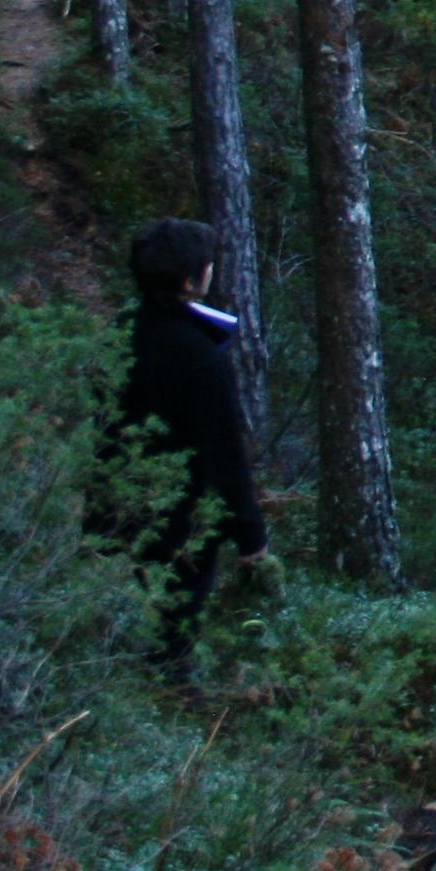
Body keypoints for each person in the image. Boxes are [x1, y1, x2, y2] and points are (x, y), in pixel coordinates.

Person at [112, 218, 269, 668]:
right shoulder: (200, 357)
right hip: (183, 513)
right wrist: (250, 535)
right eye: (207, 265)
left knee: (133, 606)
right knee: (174, 625)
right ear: (189, 279)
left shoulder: (123, 330)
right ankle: (171, 688)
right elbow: (224, 451)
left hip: (121, 498)